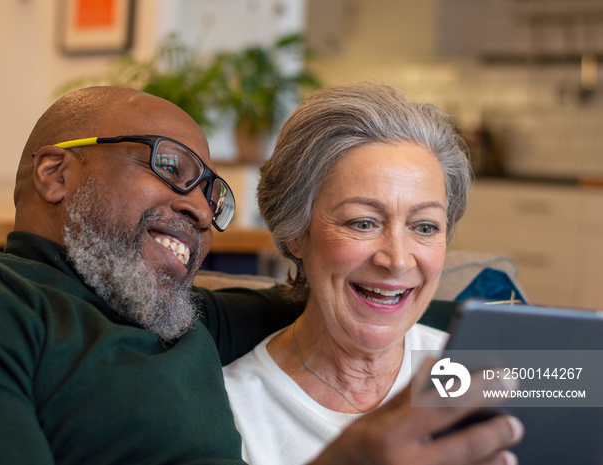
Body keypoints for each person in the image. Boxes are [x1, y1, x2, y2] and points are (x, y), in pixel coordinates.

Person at [0, 86, 522, 465]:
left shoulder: (184, 319)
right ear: (55, 173)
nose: (201, 209)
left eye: (211, 193)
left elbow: (352, 310)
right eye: (170, 166)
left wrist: (532, 343)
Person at [224, 84, 522, 465]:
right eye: (363, 223)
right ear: (296, 232)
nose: (397, 260)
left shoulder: (487, 377)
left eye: (425, 227)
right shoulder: (232, 410)